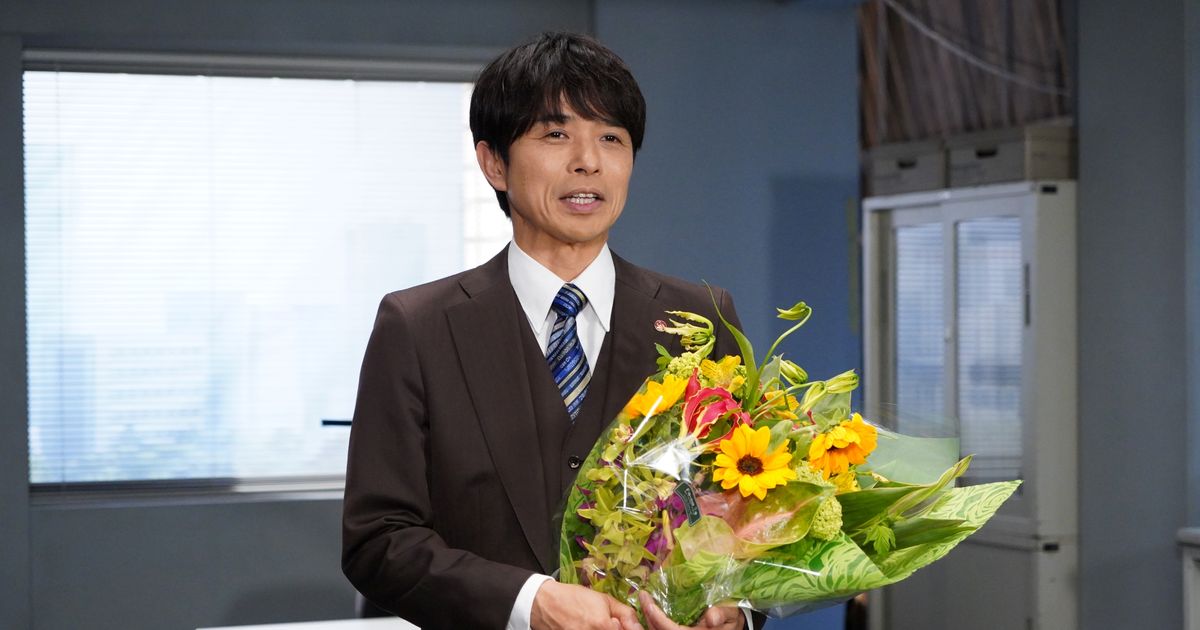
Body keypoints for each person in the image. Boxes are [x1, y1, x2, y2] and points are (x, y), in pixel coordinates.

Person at [341, 32, 755, 630]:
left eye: (611, 138)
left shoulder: (702, 317)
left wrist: (736, 610)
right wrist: (529, 602)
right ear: (494, 163)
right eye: (556, 134)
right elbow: (378, 541)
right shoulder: (418, 327)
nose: (588, 160)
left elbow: (752, 506)